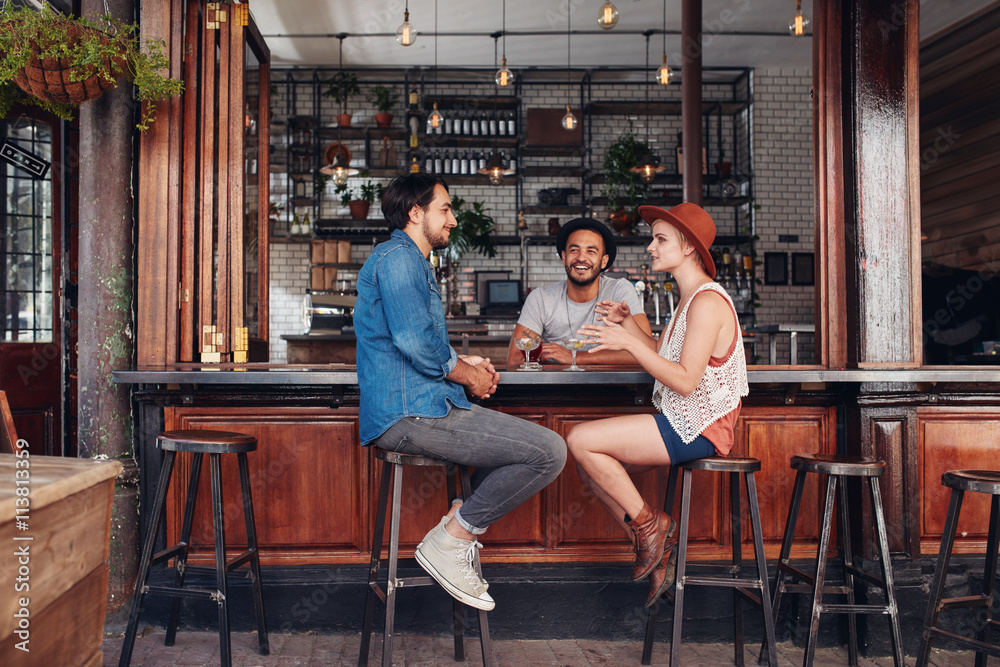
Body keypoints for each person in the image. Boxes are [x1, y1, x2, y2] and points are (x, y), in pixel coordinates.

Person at [354, 173, 567, 611]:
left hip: (425, 407)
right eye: (445, 209)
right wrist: (469, 376)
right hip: (408, 414)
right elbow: (414, 341)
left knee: (541, 451)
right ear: (416, 213)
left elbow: (426, 340)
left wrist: (470, 366)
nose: (453, 219)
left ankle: (457, 523)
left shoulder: (413, 261)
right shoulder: (398, 258)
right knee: (549, 451)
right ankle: (451, 538)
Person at [564, 203, 748, 608]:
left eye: (660, 239)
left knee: (579, 439)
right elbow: (662, 353)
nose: (650, 246)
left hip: (700, 427)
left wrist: (626, 342)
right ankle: (656, 546)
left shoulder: (706, 302)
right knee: (590, 463)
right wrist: (628, 324)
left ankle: (652, 527)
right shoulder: (688, 300)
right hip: (682, 420)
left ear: (687, 248)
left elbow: (684, 380)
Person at [506, 218, 652, 366]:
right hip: (555, 387)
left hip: (613, 387)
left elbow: (648, 353)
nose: (581, 258)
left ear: (604, 261)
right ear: (564, 257)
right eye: (574, 250)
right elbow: (515, 359)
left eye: (591, 251)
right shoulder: (541, 298)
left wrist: (574, 357)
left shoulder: (619, 290)